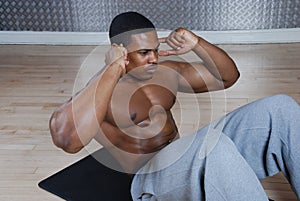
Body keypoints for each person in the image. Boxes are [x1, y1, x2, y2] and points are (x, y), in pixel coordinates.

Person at [49, 12, 300, 201]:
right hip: (149, 180)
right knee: (213, 147)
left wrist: (198, 44)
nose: (154, 59)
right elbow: (67, 140)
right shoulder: (100, 91)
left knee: (279, 108)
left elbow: (227, 77)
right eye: (145, 52)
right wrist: (113, 68)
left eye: (156, 50)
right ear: (120, 51)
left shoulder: (163, 73)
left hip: (185, 160)